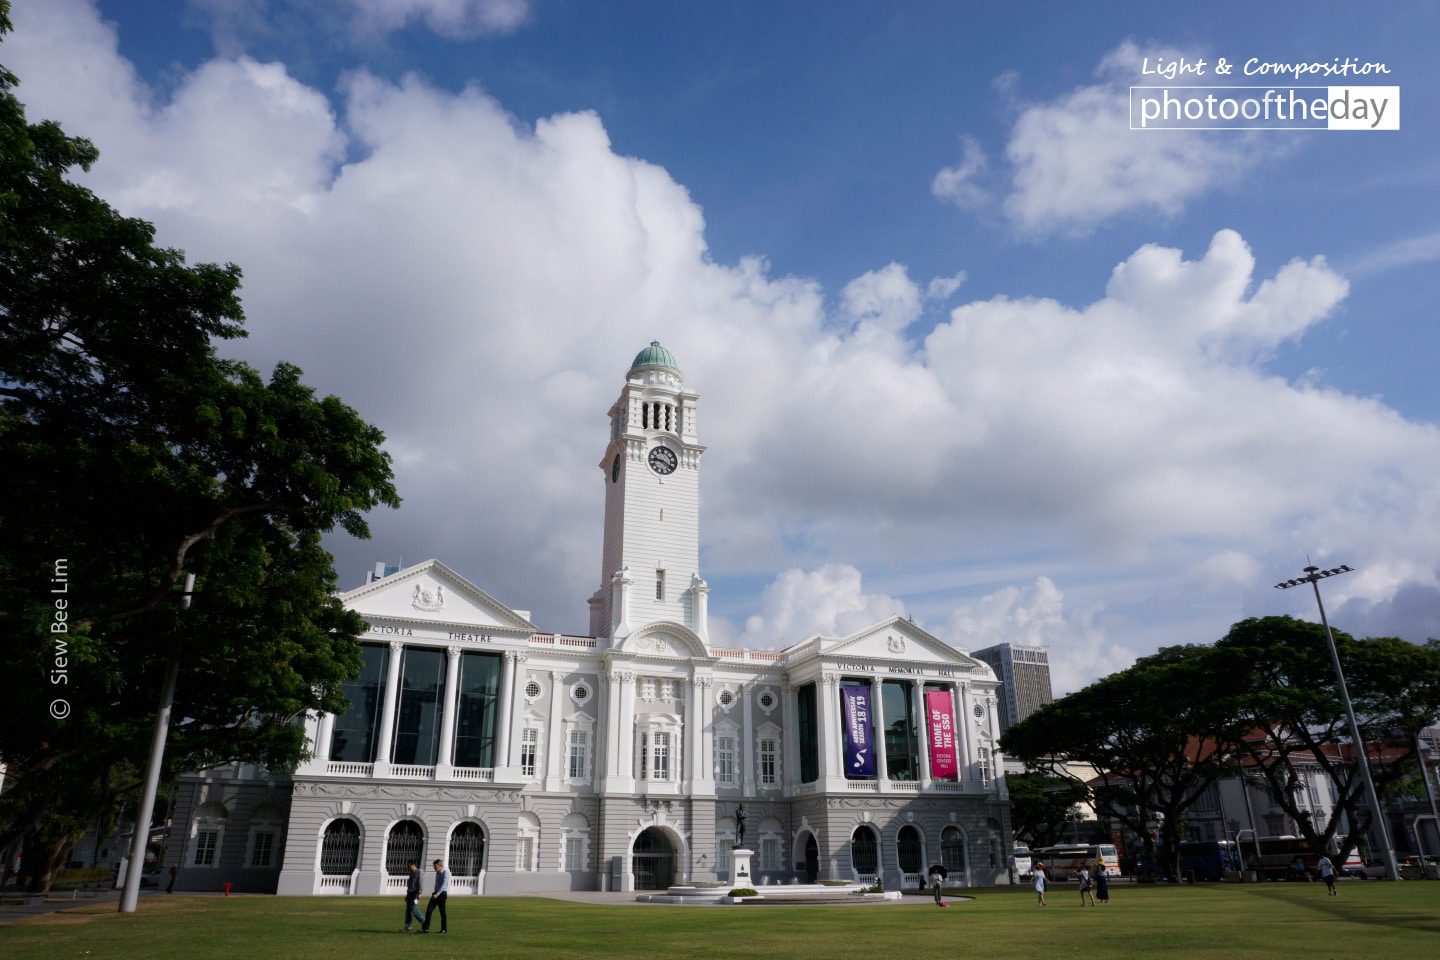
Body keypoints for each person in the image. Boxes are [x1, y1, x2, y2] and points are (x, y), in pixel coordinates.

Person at [422, 859, 449, 934]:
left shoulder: (445, 872)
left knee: (442, 912)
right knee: (429, 910)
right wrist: (434, 893)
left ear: (440, 866)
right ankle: (426, 928)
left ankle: (444, 929)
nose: (434, 868)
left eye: (435, 866)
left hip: (442, 894)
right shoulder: (437, 873)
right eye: (434, 866)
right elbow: (437, 885)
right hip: (436, 893)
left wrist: (437, 894)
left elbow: (444, 885)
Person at [403, 861, 425, 931]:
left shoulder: (419, 871)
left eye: (409, 866)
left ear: (414, 865)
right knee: (408, 911)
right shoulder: (411, 873)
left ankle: (424, 922)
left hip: (415, 893)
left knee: (414, 909)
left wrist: (420, 892)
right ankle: (407, 926)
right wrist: (407, 894)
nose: (408, 868)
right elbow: (410, 885)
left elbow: (420, 882)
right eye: (408, 866)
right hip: (410, 893)